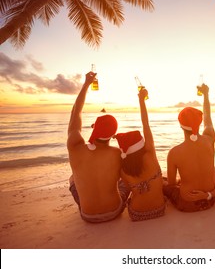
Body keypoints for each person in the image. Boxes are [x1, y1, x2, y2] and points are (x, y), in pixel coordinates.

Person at [67, 71, 130, 223]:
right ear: (113, 134)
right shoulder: (117, 152)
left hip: (88, 216)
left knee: (72, 179)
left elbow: (76, 112)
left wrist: (86, 84)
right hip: (115, 211)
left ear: (95, 128)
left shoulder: (75, 147)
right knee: (123, 180)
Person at [163, 83, 215, 212]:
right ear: (199, 123)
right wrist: (205, 94)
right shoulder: (210, 139)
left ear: (181, 126)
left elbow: (171, 184)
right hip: (210, 199)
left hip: (188, 203)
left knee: (162, 182)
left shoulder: (174, 153)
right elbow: (208, 117)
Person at [115, 87, 166, 221]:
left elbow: (127, 187)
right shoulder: (150, 155)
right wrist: (141, 100)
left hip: (137, 214)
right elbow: (145, 124)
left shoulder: (123, 169)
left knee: (124, 187)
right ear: (141, 144)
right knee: (163, 181)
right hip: (160, 210)